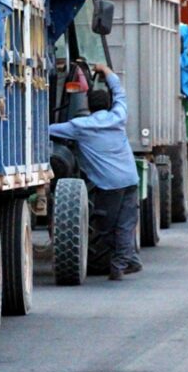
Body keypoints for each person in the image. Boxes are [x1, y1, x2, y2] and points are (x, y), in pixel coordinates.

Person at [50, 64, 142, 281]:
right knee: (126, 224)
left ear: (89, 107)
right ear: (108, 105)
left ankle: (120, 264)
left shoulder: (80, 126)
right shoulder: (118, 116)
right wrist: (107, 71)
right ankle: (126, 261)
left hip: (108, 185)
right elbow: (119, 92)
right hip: (130, 178)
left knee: (106, 227)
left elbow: (48, 130)